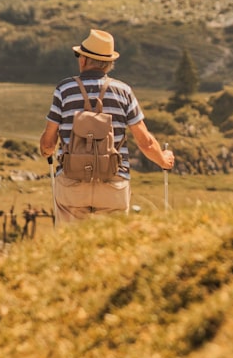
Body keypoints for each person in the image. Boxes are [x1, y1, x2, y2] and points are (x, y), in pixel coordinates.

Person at [39, 29, 175, 224]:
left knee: (72, 248)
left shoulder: (64, 90)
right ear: (109, 64)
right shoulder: (124, 91)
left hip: (72, 184)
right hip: (113, 184)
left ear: (84, 60)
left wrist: (47, 150)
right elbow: (144, 141)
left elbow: (47, 143)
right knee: (110, 248)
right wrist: (163, 160)